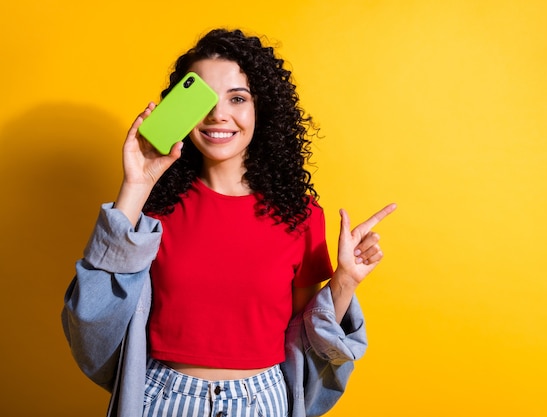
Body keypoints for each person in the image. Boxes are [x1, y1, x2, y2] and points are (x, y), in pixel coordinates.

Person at [62, 28, 396, 417]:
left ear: (262, 110)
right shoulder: (150, 210)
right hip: (165, 397)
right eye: (202, 99)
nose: (218, 114)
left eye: (237, 98)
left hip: (264, 399)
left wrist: (344, 282)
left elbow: (304, 339)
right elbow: (90, 318)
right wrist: (136, 184)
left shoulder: (301, 216)